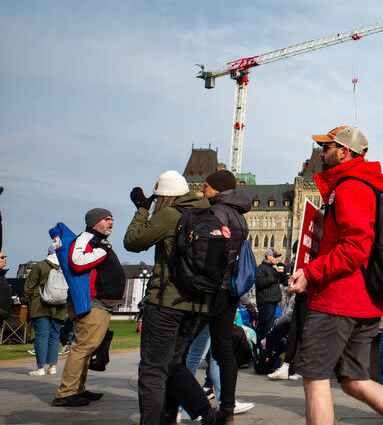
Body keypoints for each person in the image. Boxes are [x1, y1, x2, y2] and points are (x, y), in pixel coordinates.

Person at [286, 126, 383, 425]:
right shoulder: (367, 185)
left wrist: (310, 271)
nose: (321, 153)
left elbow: (356, 247)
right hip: (363, 302)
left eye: (327, 148)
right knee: (354, 380)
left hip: (339, 300)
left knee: (315, 378)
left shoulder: (350, 186)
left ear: (344, 151)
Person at [124, 171, 223, 424]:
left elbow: (132, 241)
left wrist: (142, 210)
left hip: (166, 304)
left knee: (153, 370)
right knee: (174, 364)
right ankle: (206, 413)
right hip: (197, 305)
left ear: (164, 197)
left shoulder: (170, 215)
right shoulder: (209, 214)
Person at [185, 170, 255, 418]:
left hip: (211, 290)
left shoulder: (215, 212)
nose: (202, 189)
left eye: (206, 186)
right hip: (229, 292)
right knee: (223, 350)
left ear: (217, 188)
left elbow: (208, 253)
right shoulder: (239, 215)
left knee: (182, 348)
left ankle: (182, 406)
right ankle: (227, 405)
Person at [53, 208, 126, 408]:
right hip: (94, 303)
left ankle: (78, 389)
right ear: (94, 222)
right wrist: (101, 252)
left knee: (87, 347)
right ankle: (66, 393)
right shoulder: (88, 238)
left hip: (100, 303)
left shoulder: (97, 240)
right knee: (84, 347)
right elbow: (76, 262)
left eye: (112, 219)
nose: (111, 222)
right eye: (106, 219)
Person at [24, 242, 68, 375]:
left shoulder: (40, 266)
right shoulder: (65, 267)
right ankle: (53, 366)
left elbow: (29, 286)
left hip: (40, 304)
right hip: (60, 305)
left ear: (49, 253)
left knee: (41, 336)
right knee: (55, 336)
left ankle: (40, 368)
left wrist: (25, 302)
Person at [255, 248, 285, 339]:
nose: (277, 259)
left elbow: (281, 281)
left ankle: (265, 349)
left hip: (273, 302)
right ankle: (259, 349)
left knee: (268, 328)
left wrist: (282, 274)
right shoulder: (260, 268)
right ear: (268, 256)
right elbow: (260, 283)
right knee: (263, 328)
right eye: (275, 256)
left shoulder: (272, 269)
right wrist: (274, 277)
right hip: (266, 302)